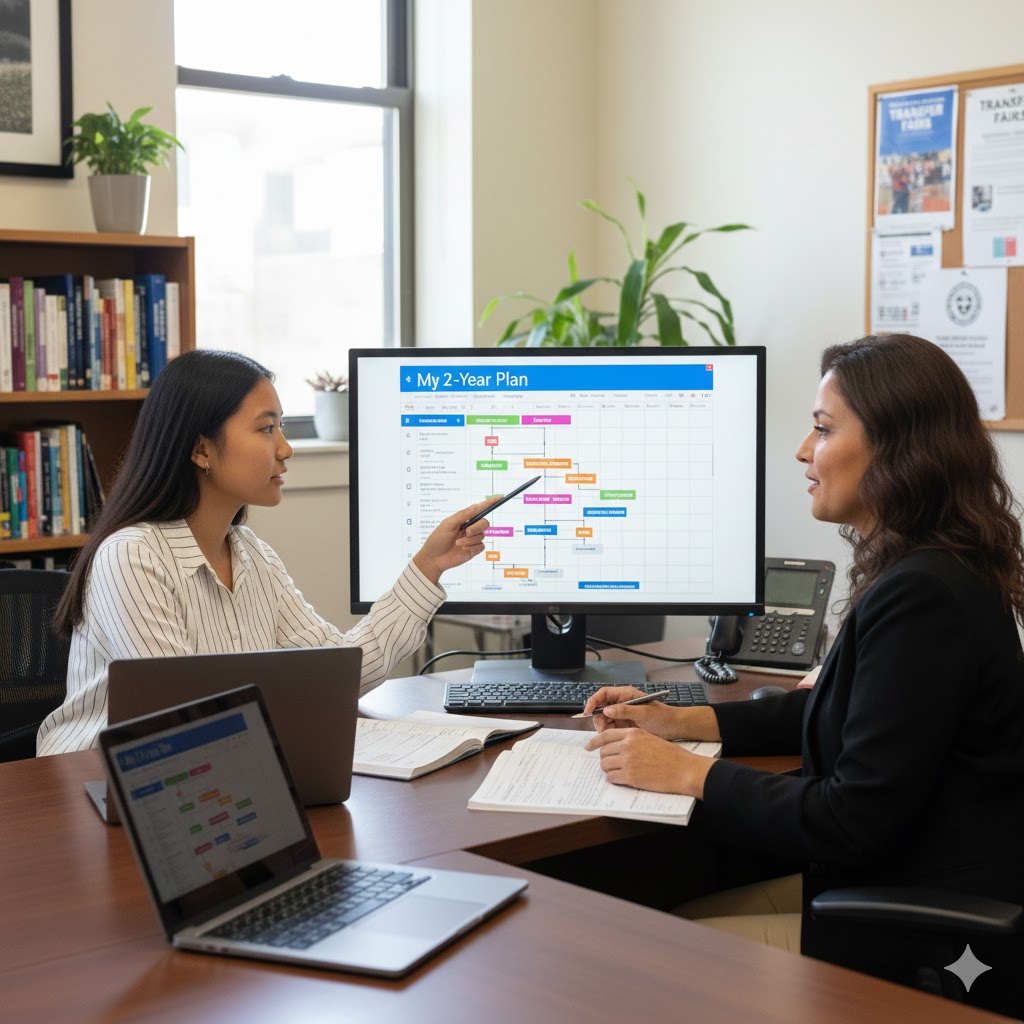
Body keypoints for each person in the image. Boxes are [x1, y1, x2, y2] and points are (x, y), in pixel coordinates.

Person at [582, 334, 1024, 1011]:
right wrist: (681, 719)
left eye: (822, 429)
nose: (801, 450)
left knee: (654, 949)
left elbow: (852, 819)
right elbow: (852, 708)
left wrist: (687, 772)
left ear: (898, 448)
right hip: (896, 882)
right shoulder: (933, 567)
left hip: (915, 931)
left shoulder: (926, 595)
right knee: (662, 903)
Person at [38, 350, 493, 755]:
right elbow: (178, 716)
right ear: (201, 449)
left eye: (283, 427)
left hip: (217, 772)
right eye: (266, 428)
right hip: (93, 781)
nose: (286, 448)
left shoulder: (252, 554)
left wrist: (429, 565)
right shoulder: (132, 557)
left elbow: (339, 673)